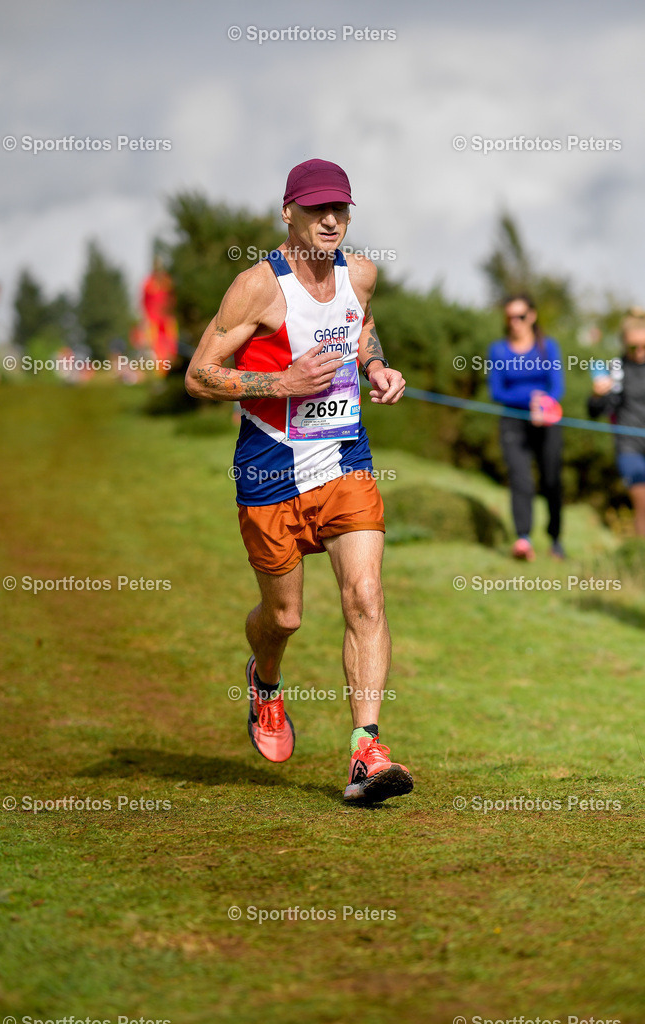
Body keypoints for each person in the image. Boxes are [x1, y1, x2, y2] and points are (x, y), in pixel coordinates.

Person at [185, 158, 413, 804]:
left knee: (365, 595)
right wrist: (280, 384)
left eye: (339, 209)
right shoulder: (256, 288)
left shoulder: (359, 274)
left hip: (343, 456)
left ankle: (366, 752)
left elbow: (360, 328)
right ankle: (264, 679)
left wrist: (376, 369)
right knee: (284, 617)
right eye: (316, 210)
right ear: (288, 212)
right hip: (269, 467)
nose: (330, 221)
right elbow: (199, 375)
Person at [487, 293, 565, 561]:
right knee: (521, 480)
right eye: (510, 317)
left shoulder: (548, 347)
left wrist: (543, 404)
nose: (515, 322)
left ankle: (556, 540)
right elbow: (497, 392)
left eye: (520, 316)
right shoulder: (498, 350)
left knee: (551, 479)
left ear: (531, 316)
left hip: (546, 420)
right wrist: (529, 399)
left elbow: (557, 386)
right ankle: (523, 539)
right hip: (513, 422)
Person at [589, 307, 645, 541]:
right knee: (644, 507)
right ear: (624, 342)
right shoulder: (614, 370)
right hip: (630, 447)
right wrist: (597, 395)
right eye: (633, 347)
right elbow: (595, 412)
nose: (640, 352)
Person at [141, 256, 178, 374]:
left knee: (172, 347)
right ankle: (160, 375)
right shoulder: (148, 283)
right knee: (157, 349)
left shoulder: (168, 281)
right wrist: (145, 320)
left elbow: (173, 298)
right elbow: (144, 302)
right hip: (153, 321)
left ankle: (172, 372)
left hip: (167, 320)